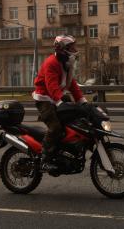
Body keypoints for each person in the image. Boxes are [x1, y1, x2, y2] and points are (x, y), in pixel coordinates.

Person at [33, 35, 87, 171]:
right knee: (55, 127)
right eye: (71, 47)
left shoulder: (65, 64)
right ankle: (44, 159)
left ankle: (61, 152)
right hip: (44, 99)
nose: (75, 49)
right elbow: (52, 87)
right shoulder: (51, 63)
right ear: (63, 49)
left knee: (73, 123)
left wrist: (83, 102)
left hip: (56, 97)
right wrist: (60, 102)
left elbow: (72, 84)